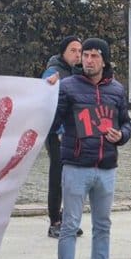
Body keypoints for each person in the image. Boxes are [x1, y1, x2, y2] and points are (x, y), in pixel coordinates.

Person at [51, 38, 131, 259]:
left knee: (102, 225)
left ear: (104, 60)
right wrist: (47, 94)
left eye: (95, 55)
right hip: (76, 165)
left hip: (106, 165)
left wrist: (121, 136)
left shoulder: (117, 90)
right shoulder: (67, 86)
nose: (88, 60)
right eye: (85, 55)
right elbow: (53, 120)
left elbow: (126, 123)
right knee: (70, 226)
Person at [41, 35, 83, 239]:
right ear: (63, 52)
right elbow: (47, 96)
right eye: (73, 50)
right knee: (57, 175)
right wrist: (58, 132)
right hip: (56, 133)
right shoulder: (54, 70)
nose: (77, 55)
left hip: (75, 131)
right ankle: (54, 221)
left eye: (79, 51)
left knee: (74, 176)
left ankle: (69, 219)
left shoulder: (80, 72)